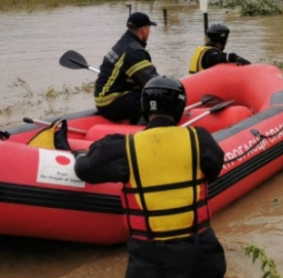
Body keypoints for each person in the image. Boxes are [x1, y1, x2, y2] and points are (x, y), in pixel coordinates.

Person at [75, 76, 227, 278]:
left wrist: (79, 154)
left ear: (144, 109)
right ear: (179, 108)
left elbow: (85, 169)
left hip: (151, 263)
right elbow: (213, 170)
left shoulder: (124, 148)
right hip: (203, 258)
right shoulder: (199, 139)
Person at [94, 12, 159, 123]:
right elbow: (153, 82)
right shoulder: (135, 53)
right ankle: (144, 129)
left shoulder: (124, 43)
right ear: (144, 30)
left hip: (103, 98)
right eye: (149, 28)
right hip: (111, 102)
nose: (149, 32)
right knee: (156, 100)